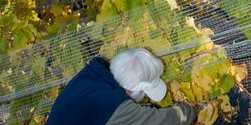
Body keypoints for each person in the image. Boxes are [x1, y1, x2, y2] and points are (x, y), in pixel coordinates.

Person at [47, 48, 197, 125]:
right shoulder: (114, 106)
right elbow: (168, 122)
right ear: (133, 89)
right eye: (144, 93)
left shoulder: (91, 76)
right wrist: (193, 109)